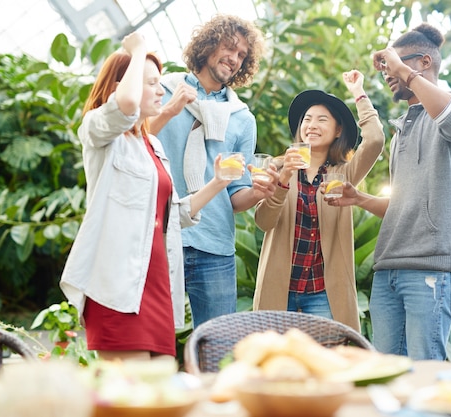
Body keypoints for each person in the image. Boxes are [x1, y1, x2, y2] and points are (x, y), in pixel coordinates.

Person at [59, 32, 237, 361]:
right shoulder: (98, 131)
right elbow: (125, 107)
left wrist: (218, 182)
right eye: (150, 82)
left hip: (157, 286)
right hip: (120, 286)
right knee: (129, 400)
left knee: (158, 392)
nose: (160, 89)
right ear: (119, 87)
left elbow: (174, 215)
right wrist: (138, 48)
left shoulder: (150, 146)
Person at [326, 23, 451, 359]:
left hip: (432, 268)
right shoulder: (402, 130)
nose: (388, 74)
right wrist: (360, 199)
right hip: (389, 269)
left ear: (424, 62)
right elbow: (404, 203)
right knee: (386, 372)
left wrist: (403, 72)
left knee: (425, 373)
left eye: (395, 63)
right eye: (386, 68)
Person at [149, 15, 274, 328]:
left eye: (242, 55)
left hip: (215, 245)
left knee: (219, 343)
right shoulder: (163, 90)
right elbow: (133, 144)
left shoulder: (242, 118)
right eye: (229, 48)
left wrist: (258, 192)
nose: (234, 59)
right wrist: (169, 110)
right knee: (151, 337)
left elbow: (235, 196)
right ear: (207, 46)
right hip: (162, 235)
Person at [253, 70, 385, 331]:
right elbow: (263, 222)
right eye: (307, 119)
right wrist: (285, 178)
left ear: (338, 131)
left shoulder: (344, 174)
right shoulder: (276, 166)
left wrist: (358, 93)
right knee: (277, 367)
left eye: (322, 120)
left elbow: (376, 140)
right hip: (280, 290)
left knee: (330, 364)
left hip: (324, 293)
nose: (311, 125)